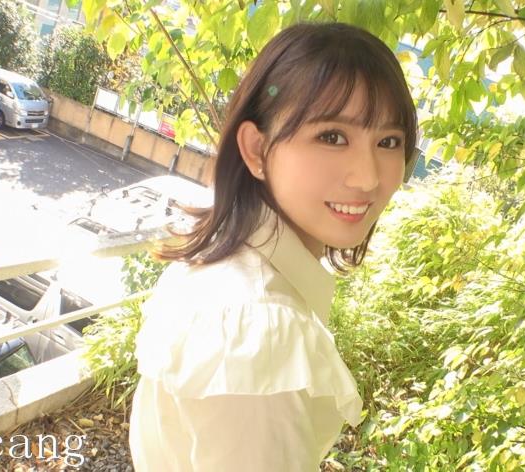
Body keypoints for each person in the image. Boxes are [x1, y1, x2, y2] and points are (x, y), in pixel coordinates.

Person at [128, 21, 419, 471]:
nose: (368, 178)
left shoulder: (228, 271)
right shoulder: (255, 332)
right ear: (257, 150)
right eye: (332, 136)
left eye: (388, 141)